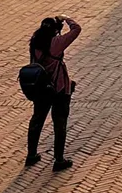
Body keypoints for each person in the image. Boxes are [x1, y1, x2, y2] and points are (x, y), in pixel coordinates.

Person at [25, 15, 82, 171]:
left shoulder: (35, 42)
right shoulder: (56, 43)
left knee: (37, 120)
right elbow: (76, 29)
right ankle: (59, 160)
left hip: (40, 87)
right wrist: (66, 18)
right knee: (59, 123)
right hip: (58, 88)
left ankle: (31, 155)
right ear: (56, 31)